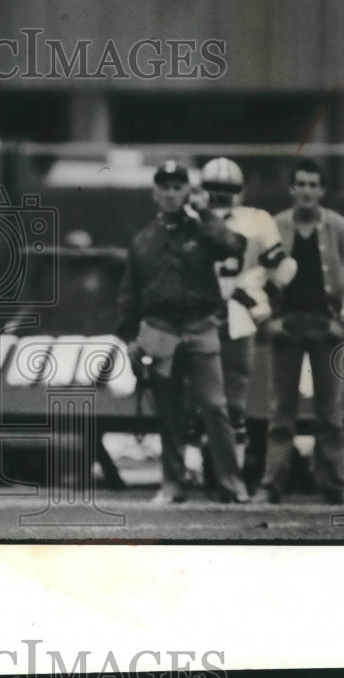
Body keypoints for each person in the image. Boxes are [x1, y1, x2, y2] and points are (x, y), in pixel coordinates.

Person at [117, 160, 250, 504]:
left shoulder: (202, 230)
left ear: (188, 192)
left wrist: (205, 214)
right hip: (160, 329)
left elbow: (233, 246)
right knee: (169, 410)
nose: (171, 194)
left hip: (201, 325)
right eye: (165, 187)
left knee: (215, 405)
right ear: (155, 193)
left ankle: (231, 484)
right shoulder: (144, 240)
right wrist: (129, 338)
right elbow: (130, 293)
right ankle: (173, 485)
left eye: (178, 187)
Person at [255, 159, 344, 505]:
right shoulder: (273, 228)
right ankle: (271, 485)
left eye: (312, 184)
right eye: (301, 184)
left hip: (326, 326)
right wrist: (266, 319)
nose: (306, 190)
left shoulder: (341, 228)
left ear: (322, 190)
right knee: (281, 412)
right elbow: (253, 277)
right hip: (286, 325)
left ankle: (337, 485)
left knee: (330, 412)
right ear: (292, 188)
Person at [198, 157, 297, 491]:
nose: (220, 195)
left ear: (239, 191)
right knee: (203, 400)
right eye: (214, 188)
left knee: (235, 401)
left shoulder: (256, 220)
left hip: (240, 316)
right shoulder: (193, 219)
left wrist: (259, 295)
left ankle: (232, 473)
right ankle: (209, 466)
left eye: (225, 189)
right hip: (198, 316)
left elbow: (284, 269)